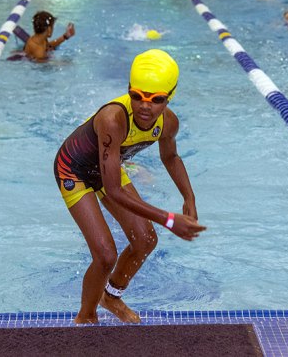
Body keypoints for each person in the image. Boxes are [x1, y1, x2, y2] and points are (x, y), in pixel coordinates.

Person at [54, 49, 205, 325]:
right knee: (105, 254)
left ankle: (111, 297)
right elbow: (113, 191)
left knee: (145, 240)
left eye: (156, 100)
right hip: (73, 169)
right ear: (128, 91)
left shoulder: (168, 123)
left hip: (107, 169)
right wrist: (170, 220)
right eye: (137, 96)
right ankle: (85, 319)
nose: (145, 106)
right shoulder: (113, 118)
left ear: (169, 98)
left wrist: (189, 198)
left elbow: (170, 157)